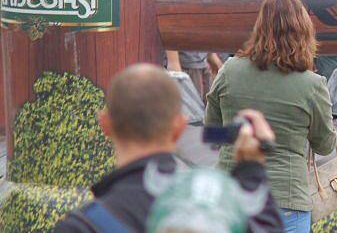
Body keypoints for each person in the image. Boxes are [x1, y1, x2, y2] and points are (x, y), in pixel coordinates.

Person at [55, 64, 283, 232]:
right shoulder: (216, 213)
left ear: (105, 124)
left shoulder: (83, 226)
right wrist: (252, 169)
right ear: (179, 127)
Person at [206, 0, 337, 233]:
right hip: (286, 199)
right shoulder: (313, 84)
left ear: (259, 27)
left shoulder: (230, 69)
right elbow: (325, 146)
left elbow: (213, 133)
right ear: (304, 31)